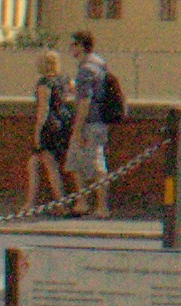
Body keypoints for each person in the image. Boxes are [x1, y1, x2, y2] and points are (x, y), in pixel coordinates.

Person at [62, 30, 115, 217]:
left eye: (73, 45)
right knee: (88, 163)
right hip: (100, 121)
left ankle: (96, 205)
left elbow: (85, 101)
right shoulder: (100, 64)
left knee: (88, 164)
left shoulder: (86, 70)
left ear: (81, 46)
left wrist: (77, 130)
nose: (70, 48)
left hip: (89, 123)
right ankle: (90, 203)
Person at [23, 53, 72, 217]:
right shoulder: (63, 80)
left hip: (49, 126)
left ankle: (62, 204)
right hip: (62, 123)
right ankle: (30, 203)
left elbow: (43, 109)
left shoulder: (44, 83)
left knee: (51, 165)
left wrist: (38, 133)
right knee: (34, 163)